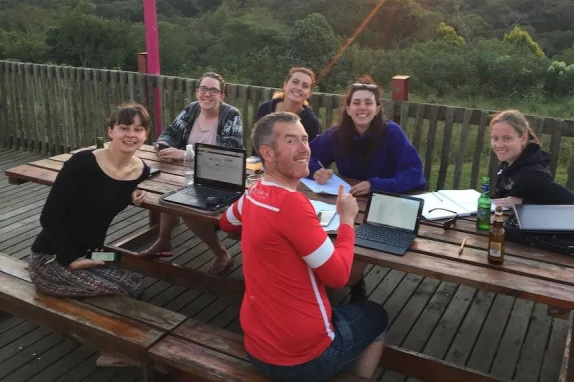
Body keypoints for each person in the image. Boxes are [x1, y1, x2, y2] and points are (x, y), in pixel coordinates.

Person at [219, 112, 387, 381]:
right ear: (267, 154)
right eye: (291, 140)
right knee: (377, 315)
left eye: (305, 139)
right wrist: (346, 220)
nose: (304, 149)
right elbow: (339, 277)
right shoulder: (291, 204)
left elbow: (226, 222)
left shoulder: (253, 193)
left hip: (257, 346)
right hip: (304, 359)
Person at [308, 76, 426, 301]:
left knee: (353, 257)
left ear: (377, 108)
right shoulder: (337, 134)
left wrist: (375, 184)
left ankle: (354, 284)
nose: (362, 107)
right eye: (357, 102)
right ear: (348, 108)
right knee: (317, 235)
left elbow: (415, 174)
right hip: (346, 202)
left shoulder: (392, 133)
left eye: (368, 102)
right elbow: (307, 154)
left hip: (384, 204)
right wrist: (315, 170)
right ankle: (326, 284)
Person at [29, 103, 151, 298]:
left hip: (93, 253)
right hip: (53, 256)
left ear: (145, 135)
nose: (131, 134)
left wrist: (131, 190)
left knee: (133, 277)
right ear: (111, 132)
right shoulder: (82, 163)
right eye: (124, 128)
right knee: (127, 291)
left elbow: (110, 186)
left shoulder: (141, 171)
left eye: (138, 129)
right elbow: (49, 217)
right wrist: (70, 260)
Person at [140, 71, 243, 275]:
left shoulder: (231, 115)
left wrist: (185, 153)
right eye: (203, 89)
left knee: (187, 206)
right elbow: (170, 133)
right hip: (186, 175)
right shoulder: (191, 109)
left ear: (222, 96)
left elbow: (228, 151)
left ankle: (222, 254)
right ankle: (163, 240)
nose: (207, 94)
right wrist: (164, 146)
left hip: (220, 180)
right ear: (197, 92)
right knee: (167, 193)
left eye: (213, 90)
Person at [489, 109, 574, 207]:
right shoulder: (509, 162)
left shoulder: (533, 174)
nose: (499, 145)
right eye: (495, 138)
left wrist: (522, 202)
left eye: (507, 138)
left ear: (523, 138)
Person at [255, 66, 320, 143]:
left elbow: (310, 150)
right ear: (285, 85)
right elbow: (256, 143)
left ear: (309, 93)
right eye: (295, 82)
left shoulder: (311, 122)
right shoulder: (265, 108)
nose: (299, 88)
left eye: (305, 86)